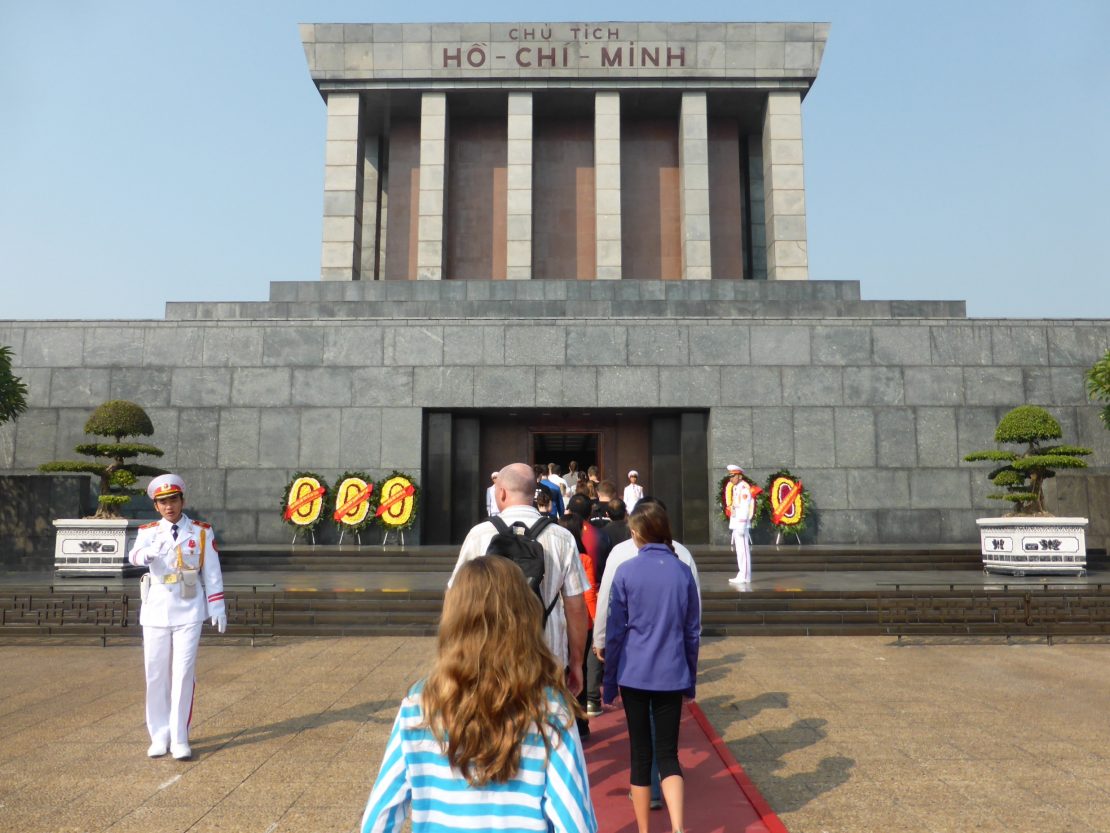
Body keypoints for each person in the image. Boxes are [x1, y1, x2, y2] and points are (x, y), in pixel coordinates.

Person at [360, 556, 597, 833]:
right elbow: (576, 822)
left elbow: (378, 818)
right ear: (525, 618)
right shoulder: (549, 711)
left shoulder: (419, 707)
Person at [600, 501, 700, 833]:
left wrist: (609, 683)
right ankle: (678, 827)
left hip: (635, 673)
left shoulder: (626, 571)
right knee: (669, 754)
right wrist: (690, 678)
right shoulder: (682, 571)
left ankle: (644, 829)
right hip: (672, 671)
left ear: (637, 533)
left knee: (641, 754)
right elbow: (692, 631)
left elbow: (615, 632)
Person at [450, 463, 589, 696]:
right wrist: (577, 663)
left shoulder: (479, 535)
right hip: (548, 657)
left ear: (502, 493)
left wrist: (456, 657)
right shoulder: (562, 537)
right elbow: (576, 607)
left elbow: (455, 599)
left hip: (490, 658)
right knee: (547, 718)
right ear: (533, 492)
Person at [127, 474, 227, 760]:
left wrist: (217, 605)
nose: (168, 506)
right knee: (155, 674)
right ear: (156, 506)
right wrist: (146, 555)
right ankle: (159, 735)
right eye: (162, 502)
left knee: (183, 674)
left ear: (182, 501)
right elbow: (133, 556)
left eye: (173, 500)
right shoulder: (148, 531)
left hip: (189, 606)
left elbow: (212, 571)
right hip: (157, 607)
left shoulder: (200, 531)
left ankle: (180, 736)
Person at [727, 464, 755, 587]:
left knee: (743, 550)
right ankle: (742, 574)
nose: (731, 478)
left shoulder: (744, 488)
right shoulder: (736, 488)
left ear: (739, 476)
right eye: (730, 476)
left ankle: (745, 576)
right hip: (736, 522)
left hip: (741, 524)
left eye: (733, 476)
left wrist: (742, 525)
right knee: (739, 551)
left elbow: (745, 507)